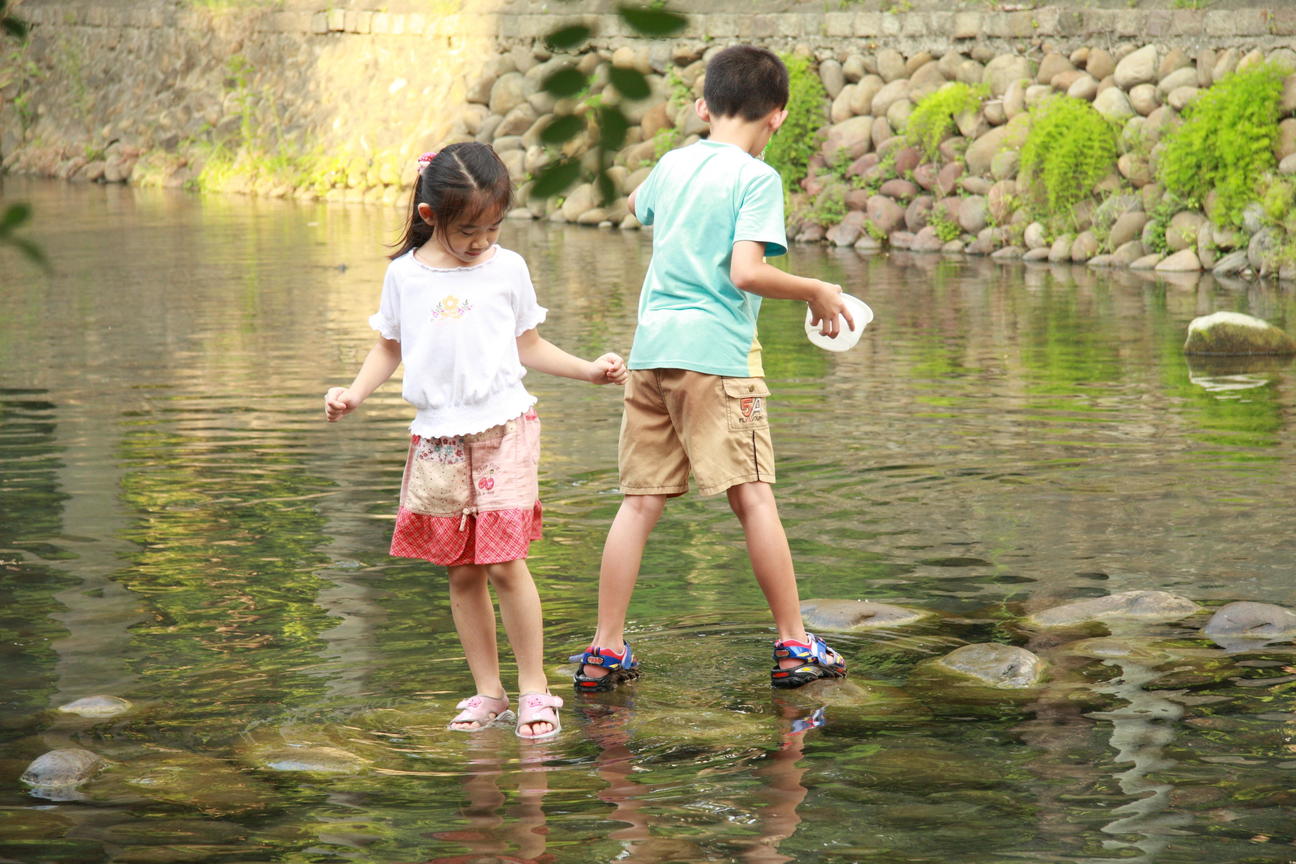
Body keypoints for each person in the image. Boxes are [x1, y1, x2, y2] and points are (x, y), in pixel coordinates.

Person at [574, 45, 854, 693]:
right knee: (753, 498)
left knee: (639, 504)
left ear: (704, 107)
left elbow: (637, 202)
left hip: (651, 355)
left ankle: (605, 650)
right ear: (777, 117)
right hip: (717, 361)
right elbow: (746, 272)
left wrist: (688, 156)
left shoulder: (675, 163)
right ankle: (793, 644)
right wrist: (814, 289)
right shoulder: (757, 179)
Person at [325, 142, 627, 739]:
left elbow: (528, 344)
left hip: (503, 430)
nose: (482, 242)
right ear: (431, 215)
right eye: (469, 231)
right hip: (436, 438)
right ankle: (489, 691)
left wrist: (589, 369)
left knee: (505, 561)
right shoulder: (405, 276)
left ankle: (536, 690)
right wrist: (355, 393)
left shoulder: (507, 268)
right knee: (460, 570)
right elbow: (390, 346)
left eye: (492, 228)